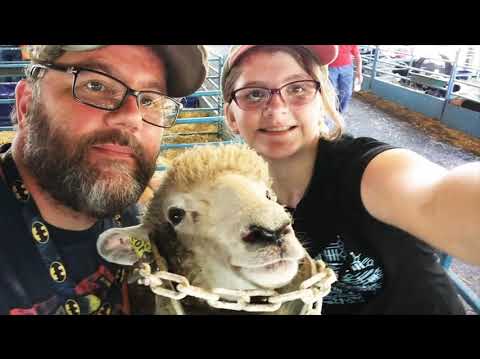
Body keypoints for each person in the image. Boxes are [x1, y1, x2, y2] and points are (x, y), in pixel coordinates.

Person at [221, 45, 480, 314]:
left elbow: (434, 197)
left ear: (322, 101)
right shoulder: (237, 194)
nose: (277, 110)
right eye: (254, 94)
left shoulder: (369, 170)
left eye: (298, 89)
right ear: (231, 116)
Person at [0, 45, 208, 315]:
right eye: (96, 85)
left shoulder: (154, 223)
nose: (133, 118)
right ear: (27, 105)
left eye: (149, 100)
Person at [328, 45, 362, 113]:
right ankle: (330, 112)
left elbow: (357, 56)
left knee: (347, 93)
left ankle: (340, 111)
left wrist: (359, 72)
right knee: (329, 92)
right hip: (330, 67)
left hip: (347, 68)